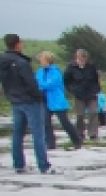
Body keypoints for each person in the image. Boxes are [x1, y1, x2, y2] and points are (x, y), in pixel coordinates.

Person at [0, 34, 52, 174]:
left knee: (17, 133)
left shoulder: (3, 61)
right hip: (30, 100)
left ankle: (18, 164)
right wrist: (39, 96)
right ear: (17, 44)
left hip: (14, 100)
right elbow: (30, 83)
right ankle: (43, 165)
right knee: (38, 134)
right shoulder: (22, 62)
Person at [37, 52, 82, 151]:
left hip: (57, 101)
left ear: (48, 60)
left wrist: (41, 85)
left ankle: (77, 140)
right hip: (44, 100)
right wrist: (40, 85)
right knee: (45, 122)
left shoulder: (55, 71)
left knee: (65, 122)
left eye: (42, 59)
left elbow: (50, 84)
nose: (40, 61)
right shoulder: (39, 71)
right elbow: (37, 82)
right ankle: (50, 143)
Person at [64, 49, 100, 142]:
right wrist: (73, 90)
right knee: (80, 115)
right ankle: (80, 133)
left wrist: (96, 90)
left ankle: (93, 134)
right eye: (80, 57)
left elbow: (96, 79)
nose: (82, 59)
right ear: (77, 57)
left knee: (93, 112)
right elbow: (66, 81)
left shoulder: (91, 67)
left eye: (84, 57)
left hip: (91, 94)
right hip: (79, 95)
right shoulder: (71, 67)